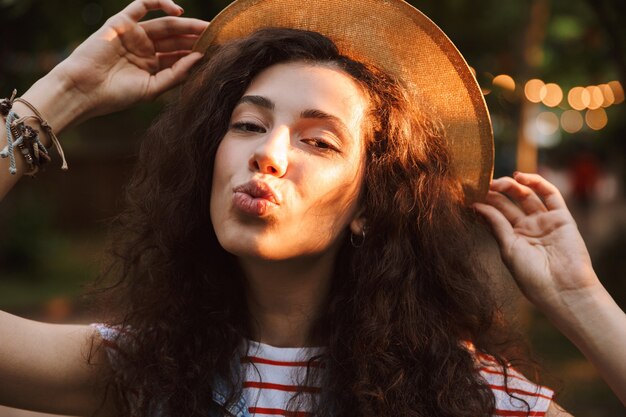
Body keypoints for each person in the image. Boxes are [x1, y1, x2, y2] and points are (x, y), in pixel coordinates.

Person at [0, 0, 625, 416]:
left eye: (318, 140)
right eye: (248, 124)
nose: (268, 154)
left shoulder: (463, 396)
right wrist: (61, 96)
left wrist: (577, 298)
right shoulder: (143, 370)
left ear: (368, 207)